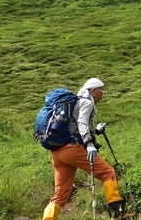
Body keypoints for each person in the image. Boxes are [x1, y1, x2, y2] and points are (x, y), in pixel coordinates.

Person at [42, 78, 128, 219]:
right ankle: (118, 214)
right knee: (108, 173)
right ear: (93, 90)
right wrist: (88, 143)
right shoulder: (87, 102)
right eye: (102, 92)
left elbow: (74, 126)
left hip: (58, 153)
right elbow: (82, 122)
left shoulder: (77, 102)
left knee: (60, 195)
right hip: (73, 149)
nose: (102, 95)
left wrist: (95, 132)